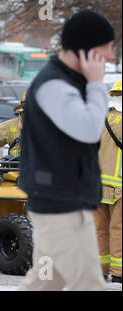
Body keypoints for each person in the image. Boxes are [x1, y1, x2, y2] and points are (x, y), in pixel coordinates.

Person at [18, 10, 114, 291]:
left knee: (46, 281)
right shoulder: (55, 85)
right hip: (59, 205)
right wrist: (97, 84)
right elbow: (88, 129)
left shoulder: (67, 81)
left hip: (63, 200)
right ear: (86, 50)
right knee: (88, 284)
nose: (110, 55)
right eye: (105, 47)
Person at [93, 79, 122, 283]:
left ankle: (100, 270)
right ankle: (119, 273)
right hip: (119, 187)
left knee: (100, 230)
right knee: (118, 229)